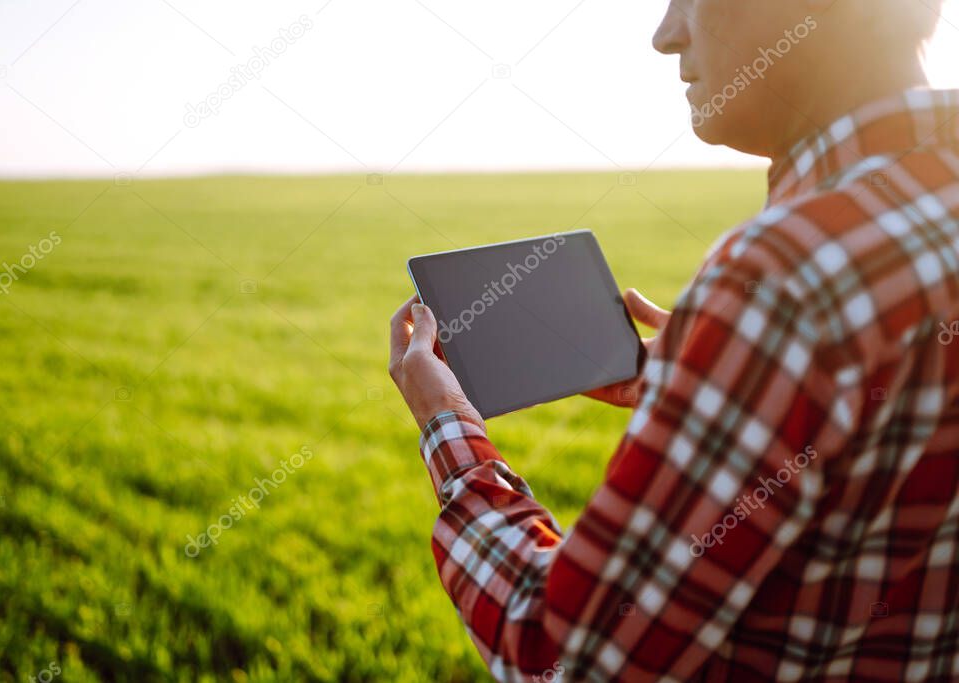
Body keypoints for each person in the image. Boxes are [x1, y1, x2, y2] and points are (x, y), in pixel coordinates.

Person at [389, 0, 959, 679]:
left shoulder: (786, 276)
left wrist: (448, 431)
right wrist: (722, 385)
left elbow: (563, 654)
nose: (666, 34)